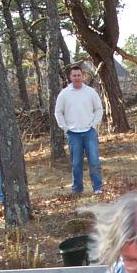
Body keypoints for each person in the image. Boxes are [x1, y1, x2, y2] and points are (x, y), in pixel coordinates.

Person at [54, 64, 104, 196]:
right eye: (74, 75)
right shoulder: (64, 94)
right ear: (70, 77)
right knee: (76, 163)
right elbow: (58, 112)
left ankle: (97, 187)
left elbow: (99, 109)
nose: (76, 78)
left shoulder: (90, 92)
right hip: (73, 133)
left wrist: (94, 125)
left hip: (89, 132)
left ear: (83, 76)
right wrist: (65, 128)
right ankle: (77, 189)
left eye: (79, 75)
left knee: (94, 160)